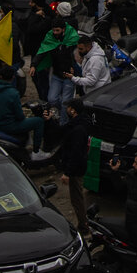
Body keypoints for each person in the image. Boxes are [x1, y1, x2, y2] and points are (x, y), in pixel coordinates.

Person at [53, 99, 94, 235]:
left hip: (76, 169)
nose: (67, 110)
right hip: (78, 166)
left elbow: (75, 153)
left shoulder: (78, 129)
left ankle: (84, 226)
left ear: (73, 110)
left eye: (68, 107)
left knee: (77, 199)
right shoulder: (80, 124)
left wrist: (68, 173)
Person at [0, 65, 38, 154]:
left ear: (0, 76)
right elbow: (20, 116)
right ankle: (36, 151)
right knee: (38, 121)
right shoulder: (13, 93)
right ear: (13, 78)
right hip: (11, 126)